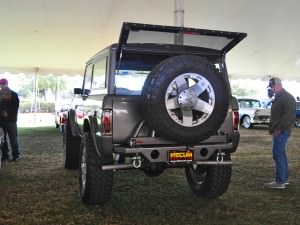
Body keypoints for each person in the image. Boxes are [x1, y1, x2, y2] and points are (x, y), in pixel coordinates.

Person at [265, 77, 296, 189]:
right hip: (279, 130)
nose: (272, 89)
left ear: (279, 85)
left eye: (273, 87)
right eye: (271, 87)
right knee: (281, 154)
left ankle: (280, 181)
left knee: (278, 154)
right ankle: (284, 179)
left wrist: (278, 129)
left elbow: (288, 117)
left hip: (281, 131)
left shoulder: (287, 98)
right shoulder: (279, 97)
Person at [0, 78, 20, 161]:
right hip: (1, 120)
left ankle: (16, 156)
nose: (2, 85)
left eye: (4, 83)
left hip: (11, 120)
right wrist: (2, 112)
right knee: (2, 139)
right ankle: (5, 155)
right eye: (1, 84)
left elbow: (16, 106)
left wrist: (7, 112)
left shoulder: (14, 94)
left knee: (13, 139)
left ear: (7, 84)